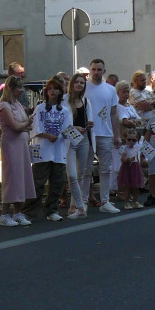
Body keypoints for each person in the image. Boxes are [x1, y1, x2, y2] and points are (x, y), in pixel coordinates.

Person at [0, 75, 36, 226]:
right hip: (11, 145)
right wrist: (27, 122)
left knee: (22, 177)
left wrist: (26, 124)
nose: (21, 90)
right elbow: (15, 126)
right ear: (11, 89)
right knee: (11, 177)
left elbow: (25, 126)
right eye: (19, 87)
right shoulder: (4, 105)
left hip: (21, 145)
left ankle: (17, 212)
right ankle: (4, 214)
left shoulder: (17, 104)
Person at [30, 77, 72, 222]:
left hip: (59, 152)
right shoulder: (40, 108)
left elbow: (68, 129)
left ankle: (51, 210)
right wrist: (48, 136)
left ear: (61, 92)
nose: (53, 91)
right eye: (50, 89)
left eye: (56, 89)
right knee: (38, 183)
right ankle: (30, 210)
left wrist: (63, 134)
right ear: (46, 92)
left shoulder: (65, 111)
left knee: (57, 183)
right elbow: (36, 128)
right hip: (43, 150)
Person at [85, 58, 122, 213]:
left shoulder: (110, 90)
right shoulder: (83, 87)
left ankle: (105, 201)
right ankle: (83, 201)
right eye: (93, 69)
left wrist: (117, 135)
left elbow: (114, 114)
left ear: (104, 71)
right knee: (85, 169)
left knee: (105, 168)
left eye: (99, 70)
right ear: (90, 70)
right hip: (86, 133)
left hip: (105, 133)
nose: (96, 72)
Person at [64, 73, 93, 219]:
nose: (79, 85)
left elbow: (90, 119)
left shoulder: (86, 101)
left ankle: (73, 205)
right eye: (77, 82)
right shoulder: (64, 100)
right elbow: (61, 122)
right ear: (72, 84)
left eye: (82, 83)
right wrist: (73, 127)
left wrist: (89, 125)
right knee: (72, 175)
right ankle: (80, 206)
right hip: (69, 139)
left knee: (80, 174)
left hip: (83, 140)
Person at [111, 80, 142, 191]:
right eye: (123, 92)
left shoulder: (130, 106)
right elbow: (125, 121)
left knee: (133, 165)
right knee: (119, 166)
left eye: (127, 92)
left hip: (133, 141)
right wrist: (133, 122)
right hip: (123, 141)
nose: (126, 94)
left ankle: (130, 188)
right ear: (117, 93)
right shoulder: (118, 107)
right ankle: (120, 189)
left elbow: (139, 120)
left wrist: (134, 122)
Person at [116, 128, 146, 209]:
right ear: (125, 139)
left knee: (136, 186)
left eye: (134, 140)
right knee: (127, 186)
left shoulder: (137, 148)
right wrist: (128, 160)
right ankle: (127, 202)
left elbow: (138, 157)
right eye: (129, 139)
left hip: (135, 167)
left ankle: (135, 201)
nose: (131, 142)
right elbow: (122, 159)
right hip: (127, 168)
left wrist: (141, 159)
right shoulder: (124, 148)